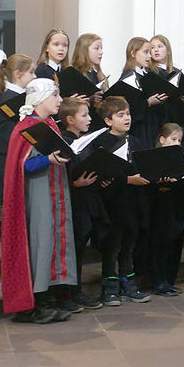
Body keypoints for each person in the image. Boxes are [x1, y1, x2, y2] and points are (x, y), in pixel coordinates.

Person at [0, 78, 75, 324]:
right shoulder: (26, 127)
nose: (60, 100)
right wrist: (48, 160)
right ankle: (36, 301)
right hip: (37, 194)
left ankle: (51, 297)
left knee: (54, 244)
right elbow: (19, 166)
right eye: (55, 96)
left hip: (55, 192)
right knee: (40, 245)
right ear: (41, 98)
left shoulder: (51, 124)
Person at [93, 96, 152, 305]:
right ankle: (109, 288)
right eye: (120, 115)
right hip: (113, 203)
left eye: (127, 114)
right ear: (108, 121)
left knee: (129, 244)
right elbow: (100, 173)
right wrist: (127, 179)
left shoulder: (135, 141)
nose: (127, 118)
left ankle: (128, 284)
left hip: (134, 202)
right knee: (113, 246)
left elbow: (144, 166)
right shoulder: (101, 142)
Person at [59, 96, 105, 310]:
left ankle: (76, 292)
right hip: (74, 202)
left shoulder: (84, 140)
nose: (89, 119)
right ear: (69, 119)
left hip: (87, 200)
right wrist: (74, 182)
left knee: (79, 248)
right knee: (73, 249)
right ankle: (70, 293)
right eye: (84, 115)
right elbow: (61, 173)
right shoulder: (64, 141)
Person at [146, 123, 184, 296]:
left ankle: (169, 279)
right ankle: (158, 281)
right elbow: (148, 183)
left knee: (175, 245)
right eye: (173, 139)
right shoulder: (153, 158)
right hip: (159, 208)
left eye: (179, 140)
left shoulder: (182, 158)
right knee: (159, 245)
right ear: (162, 139)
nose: (177, 143)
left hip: (178, 206)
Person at [0, 54, 36, 206]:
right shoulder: (10, 99)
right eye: (31, 72)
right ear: (18, 74)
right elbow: (8, 132)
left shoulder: (16, 97)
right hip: (3, 161)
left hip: (9, 158)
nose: (35, 76)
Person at [116, 37, 166, 147]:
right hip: (138, 131)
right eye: (145, 52)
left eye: (150, 52)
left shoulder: (146, 75)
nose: (149, 56)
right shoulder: (128, 77)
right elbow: (127, 107)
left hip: (150, 127)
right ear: (133, 53)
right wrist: (147, 102)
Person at [60, 33, 107, 129]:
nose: (101, 52)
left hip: (98, 121)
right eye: (96, 48)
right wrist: (89, 99)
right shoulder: (71, 73)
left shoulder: (98, 74)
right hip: (80, 125)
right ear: (84, 50)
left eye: (101, 48)